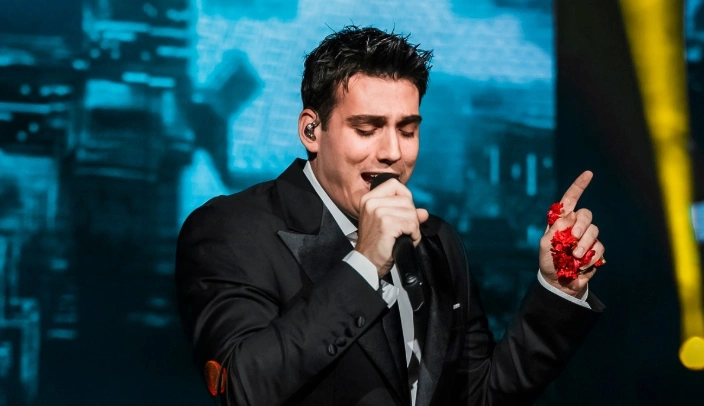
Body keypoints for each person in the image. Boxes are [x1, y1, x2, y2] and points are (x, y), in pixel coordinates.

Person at [175, 25, 606, 406]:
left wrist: (557, 290)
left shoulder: (437, 241)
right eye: (367, 129)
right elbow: (243, 388)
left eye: (408, 130)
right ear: (311, 130)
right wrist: (365, 264)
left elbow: (479, 395)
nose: (393, 152)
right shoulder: (231, 230)